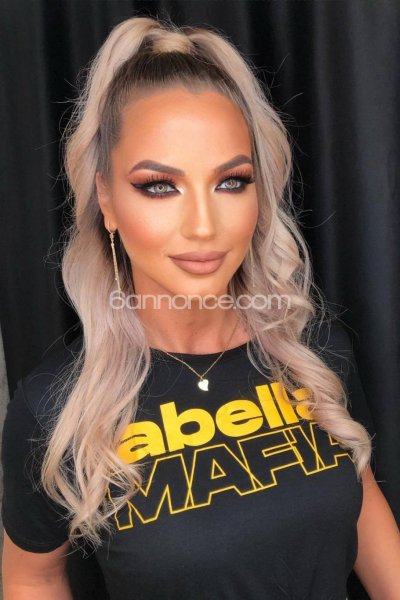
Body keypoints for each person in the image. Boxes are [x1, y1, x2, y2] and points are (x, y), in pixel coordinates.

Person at [2, 14, 400, 600]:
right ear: (106, 199)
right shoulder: (56, 409)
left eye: (231, 181)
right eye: (159, 185)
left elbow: (359, 497)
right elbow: (32, 574)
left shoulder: (314, 351)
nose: (204, 226)